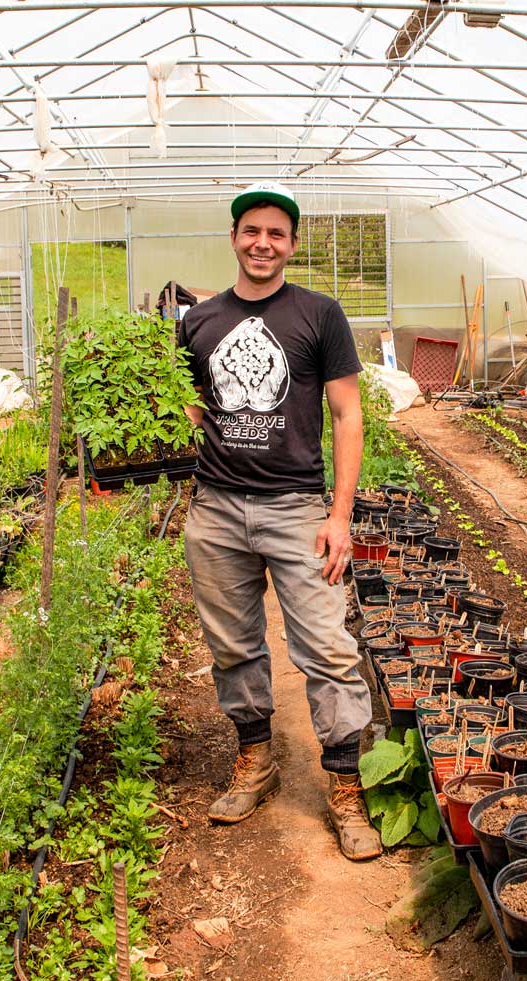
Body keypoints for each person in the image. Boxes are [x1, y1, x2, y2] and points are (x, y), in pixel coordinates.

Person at [177, 182, 381, 861]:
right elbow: (191, 411)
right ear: (234, 237)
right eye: (251, 230)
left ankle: (347, 787)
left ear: (292, 244)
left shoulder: (319, 315)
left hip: (297, 509)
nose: (262, 242)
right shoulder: (198, 322)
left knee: (327, 647)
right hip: (216, 508)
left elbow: (348, 413)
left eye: (276, 233)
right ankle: (254, 758)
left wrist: (340, 514)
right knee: (233, 645)